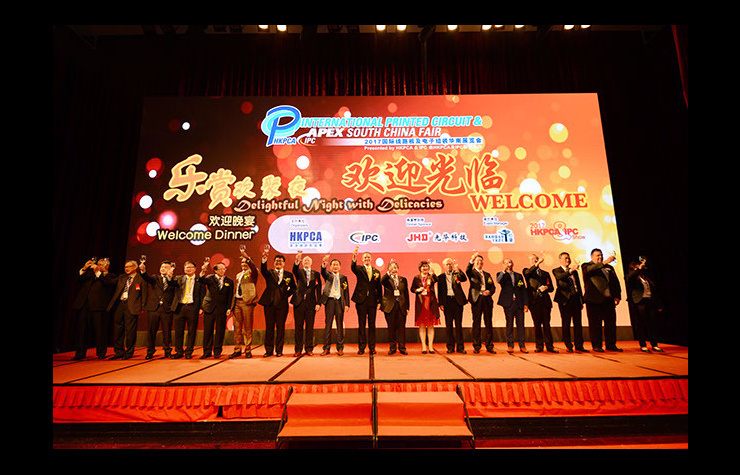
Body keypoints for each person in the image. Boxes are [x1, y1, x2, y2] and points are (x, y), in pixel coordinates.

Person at [71, 257, 115, 360]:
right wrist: (84, 268)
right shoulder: (90, 275)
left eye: (101, 265)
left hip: (99, 307)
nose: (98, 266)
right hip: (84, 305)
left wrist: (98, 272)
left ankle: (101, 353)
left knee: (100, 331)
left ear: (107, 266)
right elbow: (78, 280)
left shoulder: (110, 276)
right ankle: (80, 353)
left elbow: (107, 283)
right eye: (98, 264)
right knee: (82, 331)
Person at [581, 249, 622, 352]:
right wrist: (604, 262)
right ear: (592, 257)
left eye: (601, 255)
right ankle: (597, 345)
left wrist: (617, 296)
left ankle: (611, 345)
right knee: (595, 324)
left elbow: (615, 282)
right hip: (593, 300)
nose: (600, 257)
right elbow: (589, 270)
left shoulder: (609, 268)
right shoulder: (586, 266)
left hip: (608, 300)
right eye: (597, 255)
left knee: (611, 324)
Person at [259, 247, 296, 357]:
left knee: (281, 328)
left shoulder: (288, 275)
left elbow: (294, 288)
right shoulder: (269, 272)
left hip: (282, 305)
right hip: (269, 304)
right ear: (274, 262)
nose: (278, 263)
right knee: (269, 327)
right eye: (276, 261)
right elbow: (263, 270)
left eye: (280, 261)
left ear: (284, 263)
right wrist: (264, 258)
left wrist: (286, 294)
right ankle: (269, 350)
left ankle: (279, 350)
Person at [107, 260, 147, 360]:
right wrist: (104, 272)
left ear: (135, 267)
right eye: (125, 267)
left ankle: (129, 352)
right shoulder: (122, 277)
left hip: (132, 307)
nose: (126, 269)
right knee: (118, 330)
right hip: (120, 305)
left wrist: (142, 308)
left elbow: (144, 295)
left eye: (129, 267)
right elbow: (109, 282)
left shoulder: (140, 278)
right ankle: (119, 351)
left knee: (130, 331)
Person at [140, 260, 177, 359]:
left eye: (166, 267)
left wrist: (169, 277)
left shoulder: (174, 280)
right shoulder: (155, 278)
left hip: (167, 309)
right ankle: (150, 351)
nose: (163, 269)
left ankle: (167, 350)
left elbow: (173, 286)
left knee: (167, 331)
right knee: (151, 331)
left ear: (171, 269)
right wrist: (143, 271)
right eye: (162, 267)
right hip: (154, 308)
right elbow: (147, 278)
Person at [553, 252, 588, 352]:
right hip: (565, 300)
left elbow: (578, 286)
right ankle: (568, 345)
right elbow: (560, 277)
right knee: (566, 323)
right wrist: (571, 270)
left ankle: (579, 345)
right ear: (560, 260)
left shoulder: (575, 272)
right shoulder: (556, 270)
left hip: (575, 299)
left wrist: (581, 300)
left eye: (568, 258)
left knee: (578, 323)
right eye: (565, 258)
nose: (568, 260)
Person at [625, 258, 663, 352]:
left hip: (649, 301)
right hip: (639, 302)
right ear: (634, 269)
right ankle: (643, 345)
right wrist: (638, 270)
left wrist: (658, 304)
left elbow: (654, 291)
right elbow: (630, 278)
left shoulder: (646, 278)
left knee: (652, 323)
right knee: (641, 323)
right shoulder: (631, 277)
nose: (641, 269)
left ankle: (654, 344)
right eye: (637, 267)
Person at [198, 261, 234, 359]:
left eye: (224, 269)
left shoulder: (229, 281)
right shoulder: (210, 278)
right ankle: (207, 351)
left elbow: (230, 296)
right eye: (220, 269)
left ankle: (217, 351)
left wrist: (229, 308)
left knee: (220, 331)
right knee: (208, 331)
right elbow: (201, 280)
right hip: (209, 308)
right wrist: (203, 271)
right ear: (215, 270)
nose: (222, 271)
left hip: (222, 309)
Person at [350, 248, 382, 355]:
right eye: (365, 257)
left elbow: (379, 287)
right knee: (362, 324)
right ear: (362, 259)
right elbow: (353, 267)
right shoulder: (359, 269)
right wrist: (354, 257)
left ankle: (372, 347)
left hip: (372, 301)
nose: (367, 259)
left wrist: (379, 301)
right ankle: (361, 347)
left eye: (368, 257)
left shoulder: (376, 272)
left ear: (371, 259)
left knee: (372, 325)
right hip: (361, 301)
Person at [523, 254, 557, 353]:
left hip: (545, 302)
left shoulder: (545, 273)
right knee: (537, 324)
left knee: (546, 324)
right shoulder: (527, 271)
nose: (534, 261)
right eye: (532, 259)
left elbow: (551, 287)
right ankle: (539, 345)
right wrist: (537, 263)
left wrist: (546, 287)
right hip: (534, 302)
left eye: (536, 259)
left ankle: (550, 346)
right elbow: (528, 272)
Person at [170, 261, 204, 359]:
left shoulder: (199, 280)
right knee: (178, 331)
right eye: (186, 267)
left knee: (192, 331)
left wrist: (201, 307)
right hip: (180, 307)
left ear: (195, 269)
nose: (188, 269)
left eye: (190, 267)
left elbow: (202, 294)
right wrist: (170, 275)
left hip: (192, 307)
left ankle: (189, 351)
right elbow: (171, 283)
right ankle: (179, 351)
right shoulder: (179, 278)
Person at [291, 251, 322, 356]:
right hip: (299, 303)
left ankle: (309, 348)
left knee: (310, 327)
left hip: (311, 303)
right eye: (304, 260)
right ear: (302, 262)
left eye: (308, 260)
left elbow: (318, 289)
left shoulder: (316, 274)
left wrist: (318, 303)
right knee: (298, 326)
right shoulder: (299, 271)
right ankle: (298, 349)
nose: (306, 262)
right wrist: (297, 260)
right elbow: (294, 269)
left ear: (311, 263)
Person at [496, 258, 530, 353]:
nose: (509, 264)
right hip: (508, 303)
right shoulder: (501, 275)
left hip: (519, 303)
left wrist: (526, 304)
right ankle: (510, 345)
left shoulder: (518, 276)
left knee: (521, 325)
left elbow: (523, 290)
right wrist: (504, 270)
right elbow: (498, 281)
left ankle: (522, 345)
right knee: (509, 324)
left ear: (513, 264)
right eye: (506, 263)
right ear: (503, 265)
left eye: (510, 262)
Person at [319, 254, 350, 356]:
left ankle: (340, 347)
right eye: (333, 265)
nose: (335, 266)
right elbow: (323, 272)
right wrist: (324, 263)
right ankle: (326, 348)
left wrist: (347, 304)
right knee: (328, 324)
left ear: (340, 267)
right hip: (330, 301)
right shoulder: (328, 275)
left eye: (337, 265)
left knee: (339, 325)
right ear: (331, 267)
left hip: (339, 302)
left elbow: (346, 291)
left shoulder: (343, 278)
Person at [231, 250, 259, 358]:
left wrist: (247, 257)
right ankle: (237, 349)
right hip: (237, 302)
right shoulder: (238, 275)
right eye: (242, 262)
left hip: (247, 302)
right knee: (237, 328)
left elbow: (253, 267)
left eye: (245, 262)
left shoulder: (253, 272)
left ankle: (248, 349)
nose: (244, 264)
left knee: (248, 327)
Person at [466, 252, 495, 353]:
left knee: (488, 323)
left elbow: (493, 287)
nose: (479, 262)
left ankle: (489, 345)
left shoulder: (487, 275)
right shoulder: (472, 272)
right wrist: (472, 259)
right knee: (476, 323)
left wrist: (489, 291)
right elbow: (467, 270)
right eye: (477, 261)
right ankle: (477, 346)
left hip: (487, 300)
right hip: (476, 300)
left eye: (481, 261)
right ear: (474, 262)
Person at [437, 258, 468, 354]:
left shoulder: (456, 274)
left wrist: (459, 270)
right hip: (447, 302)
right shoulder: (441, 277)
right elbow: (440, 291)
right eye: (447, 264)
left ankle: (460, 347)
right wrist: (441, 304)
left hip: (457, 301)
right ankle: (450, 346)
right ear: (444, 266)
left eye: (450, 264)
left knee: (458, 325)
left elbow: (464, 278)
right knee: (449, 325)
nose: (449, 266)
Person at [380, 260, 410, 355]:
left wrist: (407, 307)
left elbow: (406, 294)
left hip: (401, 305)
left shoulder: (403, 279)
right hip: (390, 306)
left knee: (401, 328)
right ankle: (392, 347)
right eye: (392, 268)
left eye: (395, 267)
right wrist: (388, 274)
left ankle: (402, 347)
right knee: (391, 328)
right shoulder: (386, 279)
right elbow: (382, 281)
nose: (394, 269)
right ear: (388, 269)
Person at [412, 260, 440, 354]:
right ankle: (424, 346)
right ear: (420, 268)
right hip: (421, 303)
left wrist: (433, 273)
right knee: (422, 325)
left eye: (426, 266)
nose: (425, 268)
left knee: (431, 325)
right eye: (423, 266)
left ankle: (431, 346)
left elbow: (437, 279)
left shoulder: (431, 277)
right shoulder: (416, 278)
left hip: (431, 303)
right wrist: (417, 290)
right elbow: (412, 289)